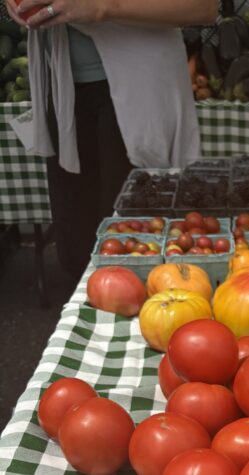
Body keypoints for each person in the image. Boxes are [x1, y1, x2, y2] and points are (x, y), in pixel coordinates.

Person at [4, 0, 217, 278]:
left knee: (140, 248)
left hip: (137, 92)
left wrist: (102, 6)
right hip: (62, 87)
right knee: (77, 250)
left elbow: (203, 7)